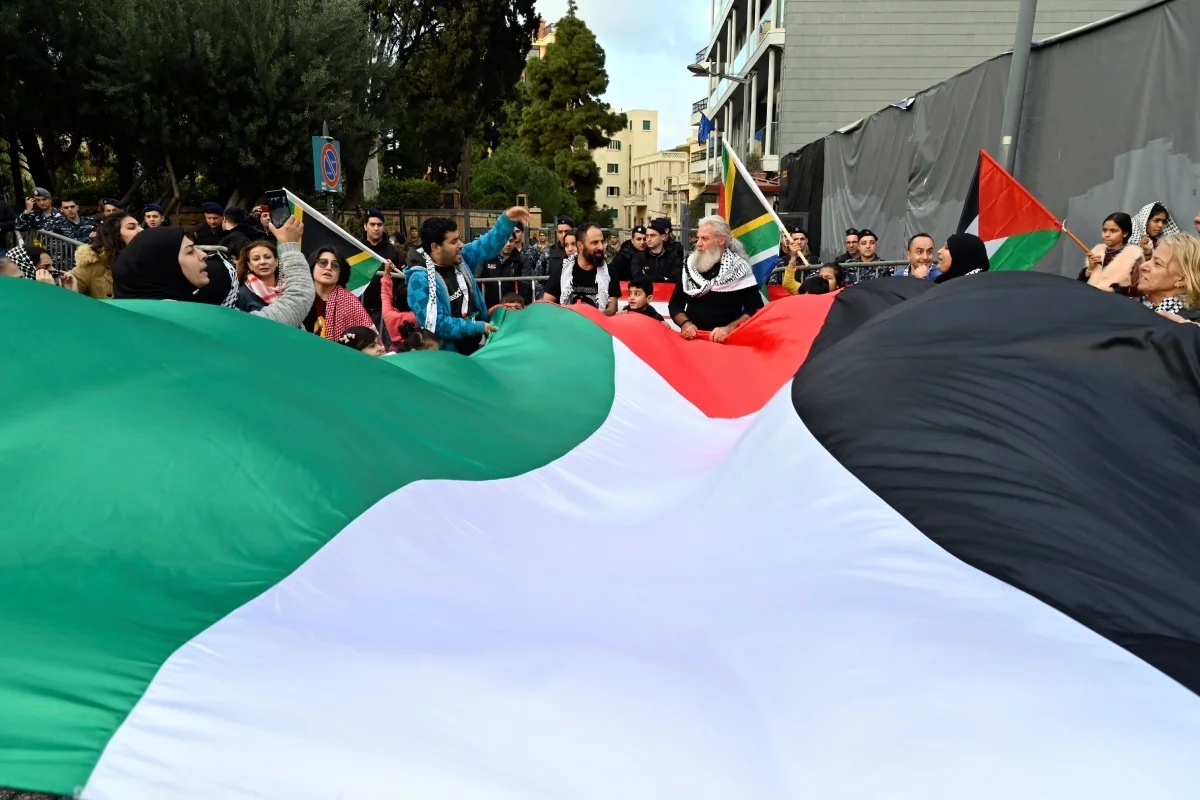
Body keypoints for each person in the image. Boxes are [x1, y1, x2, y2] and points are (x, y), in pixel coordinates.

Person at [406, 207, 529, 353]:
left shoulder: (460, 259)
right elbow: (437, 324)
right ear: (435, 247)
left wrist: (507, 220)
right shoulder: (419, 281)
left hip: (473, 349)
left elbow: (487, 244)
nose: (460, 245)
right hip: (447, 357)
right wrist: (476, 327)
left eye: (459, 239)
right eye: (453, 242)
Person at [670, 216, 764, 342]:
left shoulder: (739, 268)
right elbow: (675, 304)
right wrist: (685, 324)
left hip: (726, 342)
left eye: (705, 238)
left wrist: (728, 329)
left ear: (721, 240)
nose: (698, 244)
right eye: (698, 238)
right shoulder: (689, 266)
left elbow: (756, 309)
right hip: (693, 340)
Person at [543, 222, 618, 315]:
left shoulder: (610, 272)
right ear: (580, 245)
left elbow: (612, 309)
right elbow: (546, 304)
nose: (601, 247)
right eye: (595, 243)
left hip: (597, 323)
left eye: (601, 242)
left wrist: (589, 317)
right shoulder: (563, 270)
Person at [305, 247, 375, 339]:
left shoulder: (351, 304)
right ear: (312, 266)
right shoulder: (298, 295)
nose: (328, 268)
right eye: (322, 263)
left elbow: (370, 340)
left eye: (335, 265)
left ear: (341, 273)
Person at [71, 212, 143, 299]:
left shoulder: (150, 260)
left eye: (139, 226)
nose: (141, 230)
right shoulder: (91, 266)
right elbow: (66, 299)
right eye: (131, 227)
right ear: (115, 235)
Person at [358, 209, 404, 324]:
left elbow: (403, 280)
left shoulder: (394, 252)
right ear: (365, 226)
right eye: (372, 224)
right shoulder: (357, 249)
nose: (376, 228)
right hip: (359, 309)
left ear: (383, 227)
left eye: (379, 225)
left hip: (386, 312)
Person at [476, 226, 529, 307]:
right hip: (490, 306)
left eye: (511, 241)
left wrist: (522, 303)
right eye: (504, 241)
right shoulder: (486, 258)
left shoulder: (522, 260)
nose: (508, 244)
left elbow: (526, 283)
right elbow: (476, 279)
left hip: (513, 307)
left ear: (514, 242)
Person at [1079, 212, 1139, 284]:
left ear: (1125, 233)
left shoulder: (1133, 257)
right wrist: (1090, 268)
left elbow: (1136, 287)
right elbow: (1079, 284)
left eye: (1113, 231)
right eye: (1104, 230)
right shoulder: (1097, 252)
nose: (1107, 235)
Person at [631, 217, 685, 285]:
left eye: (653, 235)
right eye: (647, 236)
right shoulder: (639, 256)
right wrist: (663, 278)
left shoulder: (672, 256)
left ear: (662, 237)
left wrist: (647, 277)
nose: (649, 239)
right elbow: (637, 277)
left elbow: (675, 278)